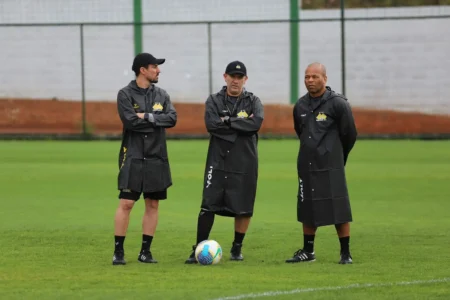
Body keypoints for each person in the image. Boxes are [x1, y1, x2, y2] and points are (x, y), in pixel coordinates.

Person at [184, 61, 264, 264]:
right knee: (208, 204)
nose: (235, 80)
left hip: (245, 160)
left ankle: (237, 248)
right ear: (225, 77)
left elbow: (255, 124)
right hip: (218, 160)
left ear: (245, 79)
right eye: (232, 76)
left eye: (240, 77)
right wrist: (240, 125)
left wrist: (227, 121)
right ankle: (199, 247)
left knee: (243, 206)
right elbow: (212, 125)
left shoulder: (254, 101)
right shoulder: (213, 100)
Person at [286, 62, 357, 264]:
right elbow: (300, 132)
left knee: (338, 206)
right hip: (306, 164)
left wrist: (336, 156)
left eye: (314, 77)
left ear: (325, 78)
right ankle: (308, 252)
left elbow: (350, 134)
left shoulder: (338, 104)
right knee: (307, 206)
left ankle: (345, 253)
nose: (310, 80)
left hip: (330, 165)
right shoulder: (300, 105)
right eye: (307, 77)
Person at [112, 53, 177, 265]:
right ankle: (119, 251)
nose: (158, 70)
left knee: (153, 204)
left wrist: (146, 116)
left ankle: (145, 252)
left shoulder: (162, 94)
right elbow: (130, 122)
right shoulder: (125, 94)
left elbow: (172, 119)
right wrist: (156, 120)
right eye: (154, 67)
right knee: (127, 203)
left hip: (157, 157)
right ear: (142, 69)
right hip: (133, 156)